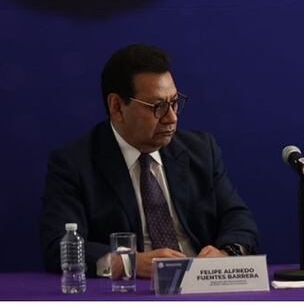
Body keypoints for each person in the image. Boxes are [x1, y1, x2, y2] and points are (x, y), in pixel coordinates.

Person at [40, 44, 259, 277]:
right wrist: (128, 263)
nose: (172, 118)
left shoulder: (201, 150)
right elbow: (59, 248)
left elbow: (239, 220)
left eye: (174, 102)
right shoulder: (74, 163)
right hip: (132, 290)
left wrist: (226, 255)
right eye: (158, 107)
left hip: (201, 284)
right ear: (117, 107)